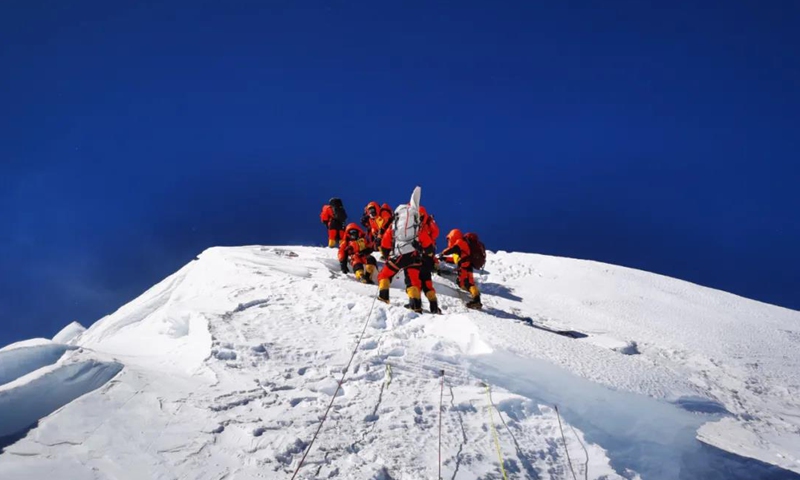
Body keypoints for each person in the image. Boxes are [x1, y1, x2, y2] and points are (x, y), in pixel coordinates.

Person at [377, 204, 424, 312]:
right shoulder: (417, 227)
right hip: (415, 257)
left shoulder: (394, 226)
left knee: (385, 274)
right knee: (413, 280)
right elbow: (427, 244)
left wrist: (386, 255)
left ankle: (383, 298)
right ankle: (415, 305)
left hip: (400, 255)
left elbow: (385, 244)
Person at [439, 229, 482, 309]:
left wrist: (443, 253)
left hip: (465, 266)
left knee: (467, 284)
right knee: (467, 283)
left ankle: (476, 300)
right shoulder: (462, 247)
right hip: (467, 266)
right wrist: (445, 259)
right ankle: (476, 298)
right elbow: (456, 260)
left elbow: (452, 249)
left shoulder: (460, 242)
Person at [412, 206, 441, 313]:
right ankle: (434, 307)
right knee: (427, 284)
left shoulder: (419, 229)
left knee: (414, 282)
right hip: (428, 259)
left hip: (418, 258)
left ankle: (415, 305)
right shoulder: (427, 227)